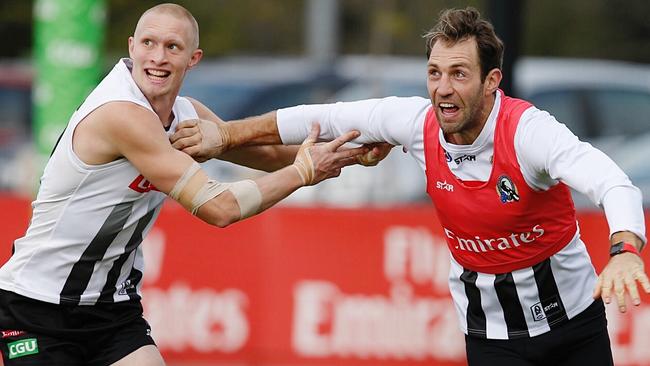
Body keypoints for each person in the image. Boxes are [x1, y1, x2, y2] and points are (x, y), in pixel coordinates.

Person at [171, 7, 649, 366]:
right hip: (491, 334)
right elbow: (317, 118)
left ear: (492, 82)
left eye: (459, 74)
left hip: (573, 324)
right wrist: (227, 135)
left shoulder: (528, 132)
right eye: (434, 73)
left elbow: (612, 181)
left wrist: (625, 248)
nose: (442, 88)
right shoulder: (413, 121)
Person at [0, 4, 372, 366]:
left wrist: (349, 150)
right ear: (131, 47)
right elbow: (221, 208)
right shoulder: (121, 115)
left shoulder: (186, 115)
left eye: (172, 47)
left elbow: (271, 156)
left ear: (193, 59)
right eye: (148, 43)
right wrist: (305, 172)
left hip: (111, 310)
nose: (157, 57)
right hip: (37, 306)